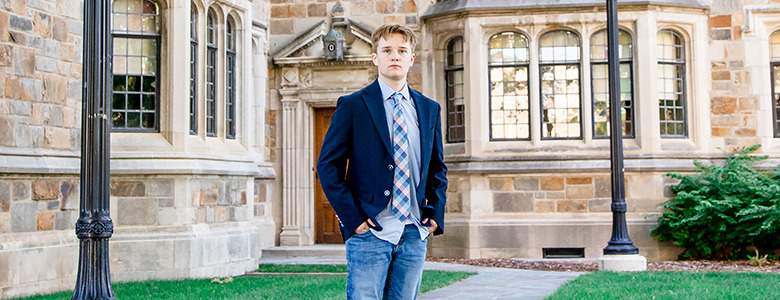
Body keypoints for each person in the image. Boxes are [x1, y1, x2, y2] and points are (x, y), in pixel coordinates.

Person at [316, 24, 448, 300]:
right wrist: (353, 219)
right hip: (370, 230)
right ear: (375, 57)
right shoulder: (353, 106)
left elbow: (437, 168)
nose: (394, 56)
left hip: (414, 231)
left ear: (412, 58)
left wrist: (435, 213)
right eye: (387, 50)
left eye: (402, 51)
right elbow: (328, 166)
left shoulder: (429, 109)